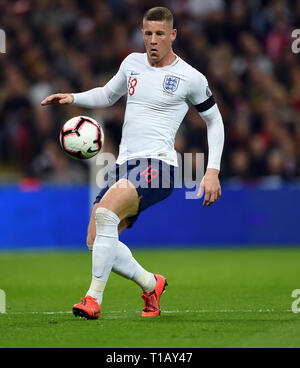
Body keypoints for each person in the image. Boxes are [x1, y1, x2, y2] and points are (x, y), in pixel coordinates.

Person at [41, 7, 224, 319]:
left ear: (173, 36)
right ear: (142, 34)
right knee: (96, 238)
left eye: (160, 34)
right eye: (148, 34)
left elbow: (215, 121)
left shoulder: (191, 78)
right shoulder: (132, 63)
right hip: (125, 165)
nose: (153, 40)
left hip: (160, 166)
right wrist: (73, 97)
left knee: (107, 213)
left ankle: (92, 299)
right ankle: (151, 283)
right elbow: (108, 94)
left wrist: (212, 171)